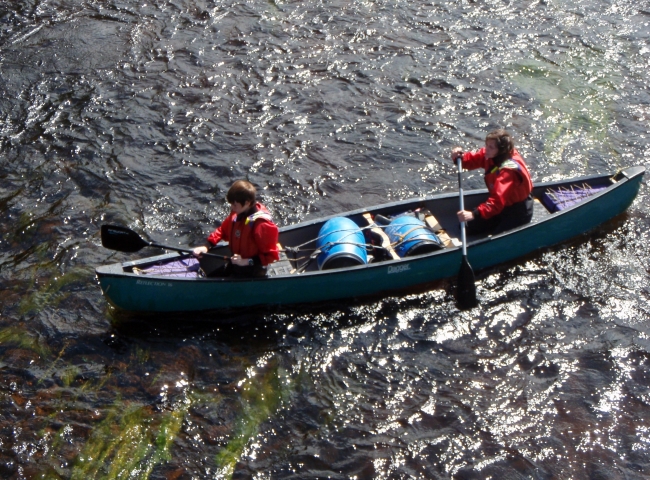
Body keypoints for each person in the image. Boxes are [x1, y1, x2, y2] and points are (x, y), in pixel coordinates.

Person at [451, 129, 534, 235]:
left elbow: (497, 201)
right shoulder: (490, 155)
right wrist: (459, 157)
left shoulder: (508, 171)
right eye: (487, 145)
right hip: (502, 205)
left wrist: (474, 214)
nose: (486, 149)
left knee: (499, 236)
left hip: (517, 210)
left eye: (491, 147)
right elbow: (471, 160)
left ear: (501, 150)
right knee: (469, 226)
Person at [193, 180, 279, 277]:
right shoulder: (237, 213)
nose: (232, 208)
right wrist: (206, 246)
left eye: (235, 205)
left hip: (253, 270)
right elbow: (222, 230)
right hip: (236, 263)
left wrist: (246, 261)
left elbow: (271, 256)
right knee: (210, 278)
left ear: (247, 203)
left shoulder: (262, 225)